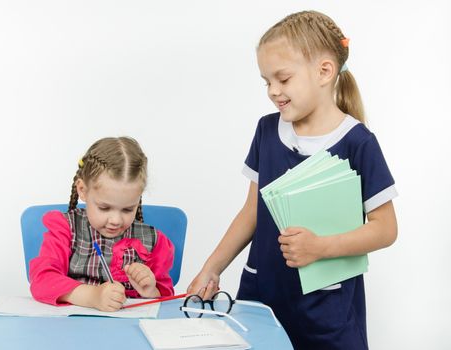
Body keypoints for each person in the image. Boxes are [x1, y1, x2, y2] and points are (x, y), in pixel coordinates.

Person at [187, 10, 397, 350]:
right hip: (261, 298)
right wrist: (212, 268)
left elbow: (385, 228)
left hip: (326, 314)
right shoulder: (267, 131)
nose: (272, 90)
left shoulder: (358, 142)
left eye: (282, 79)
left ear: (324, 72)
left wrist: (320, 248)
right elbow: (252, 212)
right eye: (266, 81)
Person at [30, 137, 175, 312]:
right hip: (71, 329)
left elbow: (166, 299)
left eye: (128, 209)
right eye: (104, 208)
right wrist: (93, 297)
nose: (116, 220)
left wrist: (150, 290)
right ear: (82, 190)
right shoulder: (65, 229)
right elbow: (42, 281)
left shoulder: (154, 241)